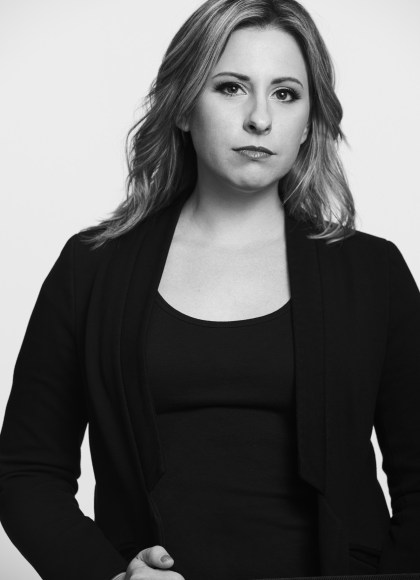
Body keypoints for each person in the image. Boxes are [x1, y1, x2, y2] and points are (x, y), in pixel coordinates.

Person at [0, 0, 419, 579]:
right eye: (230, 87)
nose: (260, 119)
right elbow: (26, 471)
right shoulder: (91, 267)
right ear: (182, 106)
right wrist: (110, 576)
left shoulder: (374, 272)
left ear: (309, 122)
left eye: (285, 94)